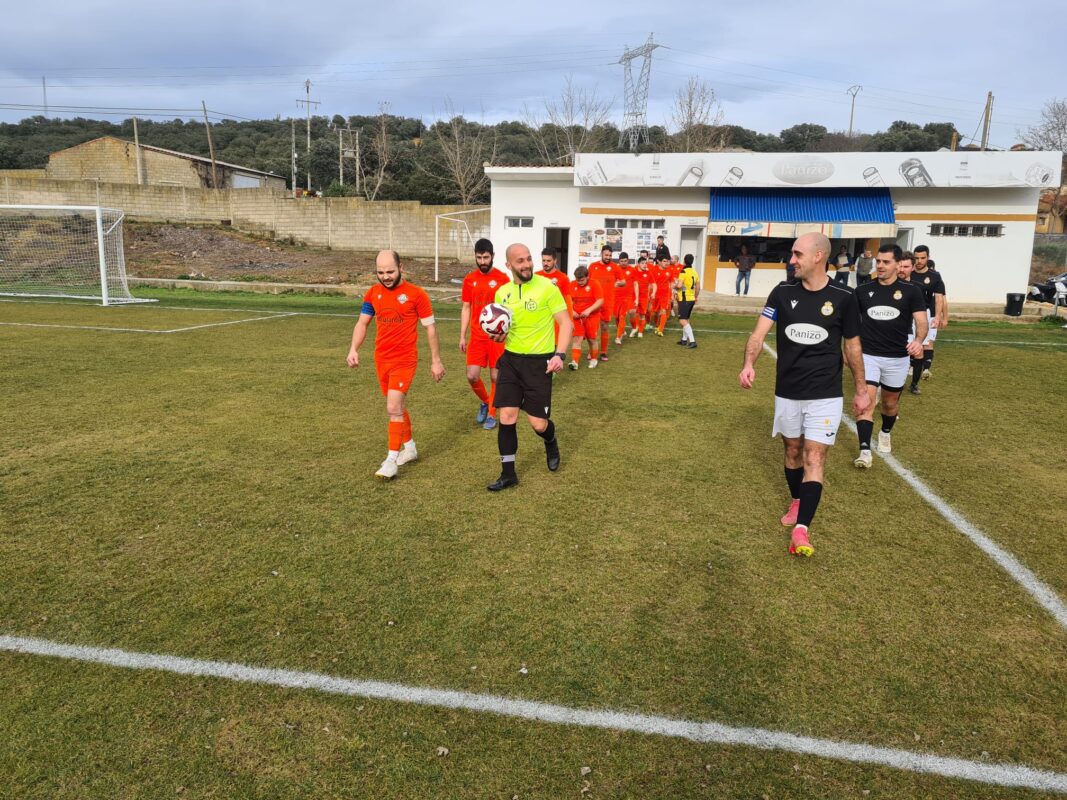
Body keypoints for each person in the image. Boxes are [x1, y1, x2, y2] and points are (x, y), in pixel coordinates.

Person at [738, 232, 868, 557]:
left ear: (818, 257)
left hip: (825, 393)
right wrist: (749, 363)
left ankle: (802, 529)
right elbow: (758, 334)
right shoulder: (782, 292)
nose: (791, 260)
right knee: (793, 451)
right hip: (787, 391)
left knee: (814, 457)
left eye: (797, 254)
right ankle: (797, 500)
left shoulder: (844, 297)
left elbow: (852, 347)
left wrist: (862, 390)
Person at [347, 250, 445, 479]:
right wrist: (353, 349)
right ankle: (409, 448)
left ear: (401, 267)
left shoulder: (417, 295)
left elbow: (430, 328)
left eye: (390, 271)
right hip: (381, 359)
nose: (385, 277)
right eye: (380, 272)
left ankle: (391, 461)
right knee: (397, 407)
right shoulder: (373, 293)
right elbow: (362, 323)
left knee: (393, 408)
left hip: (404, 360)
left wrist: (436, 360)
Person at [486, 243, 573, 491]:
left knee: (538, 424)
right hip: (511, 361)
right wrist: (498, 335)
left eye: (528, 259)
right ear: (509, 265)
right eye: (520, 261)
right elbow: (502, 328)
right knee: (507, 416)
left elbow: (566, 324)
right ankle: (508, 474)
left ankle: (550, 439)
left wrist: (560, 355)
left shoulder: (547, 287)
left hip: (539, 364)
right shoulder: (502, 293)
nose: (526, 265)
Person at [852, 244, 927, 468]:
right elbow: (851, 324)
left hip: (897, 358)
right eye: (878, 261)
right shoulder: (863, 290)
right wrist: (850, 350)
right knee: (866, 402)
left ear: (897, 264)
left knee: (889, 404)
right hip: (868, 356)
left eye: (886, 262)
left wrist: (918, 341)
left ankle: (885, 431)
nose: (881, 266)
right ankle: (865, 451)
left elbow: (921, 321)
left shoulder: (911, 291)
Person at [459, 238, 510, 430]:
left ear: (493, 256)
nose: (482, 261)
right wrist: (462, 335)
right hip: (477, 336)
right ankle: (486, 402)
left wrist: (506, 331)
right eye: (479, 258)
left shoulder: (503, 279)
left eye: (486, 257)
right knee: (472, 376)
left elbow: (509, 308)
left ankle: (491, 414)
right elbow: (466, 307)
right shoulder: (469, 279)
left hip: (496, 337)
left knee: (496, 377)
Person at [909, 245, 947, 394]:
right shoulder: (908, 272)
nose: (919, 261)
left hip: (925, 314)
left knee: (922, 345)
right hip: (907, 314)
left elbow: (939, 298)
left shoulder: (935, 276)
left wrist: (937, 317)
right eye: (916, 258)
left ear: (928, 258)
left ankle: (916, 381)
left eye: (922, 258)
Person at [588, 246, 622, 362]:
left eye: (610, 255)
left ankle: (603, 352)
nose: (608, 257)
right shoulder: (592, 266)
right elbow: (587, 281)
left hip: (608, 302)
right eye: (606, 255)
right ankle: (591, 351)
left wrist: (618, 283)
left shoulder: (615, 267)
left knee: (604, 327)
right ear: (601, 254)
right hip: (593, 303)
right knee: (592, 328)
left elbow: (623, 281)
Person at [568, 265, 605, 368]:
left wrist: (589, 310)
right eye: (578, 280)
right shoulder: (572, 284)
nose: (580, 282)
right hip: (577, 317)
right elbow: (567, 300)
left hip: (592, 316)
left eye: (582, 280)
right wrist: (572, 311)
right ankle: (574, 362)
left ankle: (593, 359)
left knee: (591, 339)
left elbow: (600, 300)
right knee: (577, 339)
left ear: (587, 277)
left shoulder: (595, 284)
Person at [536, 247, 572, 345]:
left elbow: (568, 302)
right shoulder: (535, 277)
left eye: (548, 261)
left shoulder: (563, 278)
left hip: (556, 320)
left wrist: (570, 322)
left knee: (554, 348)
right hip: (539, 321)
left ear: (555, 261)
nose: (545, 263)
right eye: (543, 260)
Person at [674, 254, 700, 349]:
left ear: (684, 261)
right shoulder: (695, 272)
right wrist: (696, 297)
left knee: (682, 320)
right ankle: (684, 340)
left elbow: (679, 286)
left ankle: (692, 341)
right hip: (691, 299)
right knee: (686, 319)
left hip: (684, 299)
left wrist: (674, 286)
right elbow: (698, 287)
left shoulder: (683, 271)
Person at [614, 252, 638, 344]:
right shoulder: (615, 269)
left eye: (625, 261)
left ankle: (618, 337)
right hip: (616, 297)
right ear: (619, 261)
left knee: (623, 316)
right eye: (621, 261)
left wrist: (637, 298)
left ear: (628, 260)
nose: (623, 263)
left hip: (628, 297)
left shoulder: (632, 270)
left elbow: (635, 284)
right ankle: (623, 331)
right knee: (617, 317)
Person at [631, 256, 654, 337]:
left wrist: (652, 293)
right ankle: (636, 327)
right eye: (642, 263)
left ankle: (640, 332)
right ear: (638, 264)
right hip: (634, 297)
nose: (644, 265)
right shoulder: (634, 272)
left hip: (644, 297)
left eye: (645, 263)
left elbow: (652, 284)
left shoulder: (648, 273)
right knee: (634, 313)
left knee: (642, 315)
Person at [651, 256, 673, 336]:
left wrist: (672, 294)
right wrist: (651, 293)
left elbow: (671, 283)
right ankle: (657, 326)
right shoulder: (654, 270)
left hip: (665, 295)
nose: (666, 263)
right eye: (664, 261)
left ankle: (660, 330)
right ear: (659, 262)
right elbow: (651, 283)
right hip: (655, 295)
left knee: (663, 311)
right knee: (654, 313)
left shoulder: (670, 270)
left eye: (667, 261)